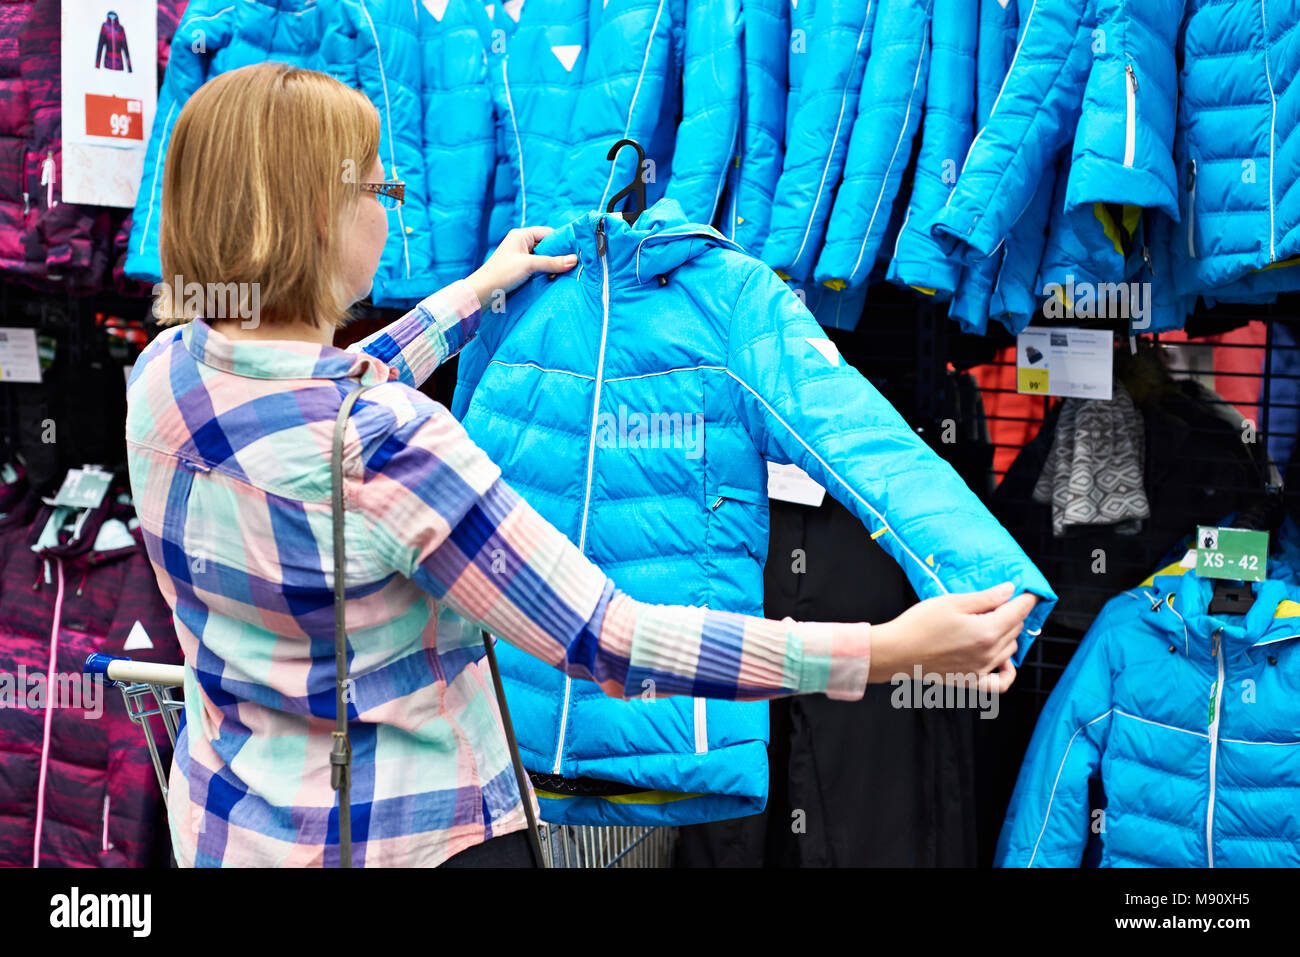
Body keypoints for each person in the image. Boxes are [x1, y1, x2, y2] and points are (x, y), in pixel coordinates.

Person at [124, 61, 1036, 868]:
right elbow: (613, 638)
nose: (389, 207)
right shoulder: (396, 447)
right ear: (318, 217)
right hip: (409, 836)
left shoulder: (166, 376)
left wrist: (473, 295)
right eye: (379, 191)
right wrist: (888, 652)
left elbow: (318, 396)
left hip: (226, 822)